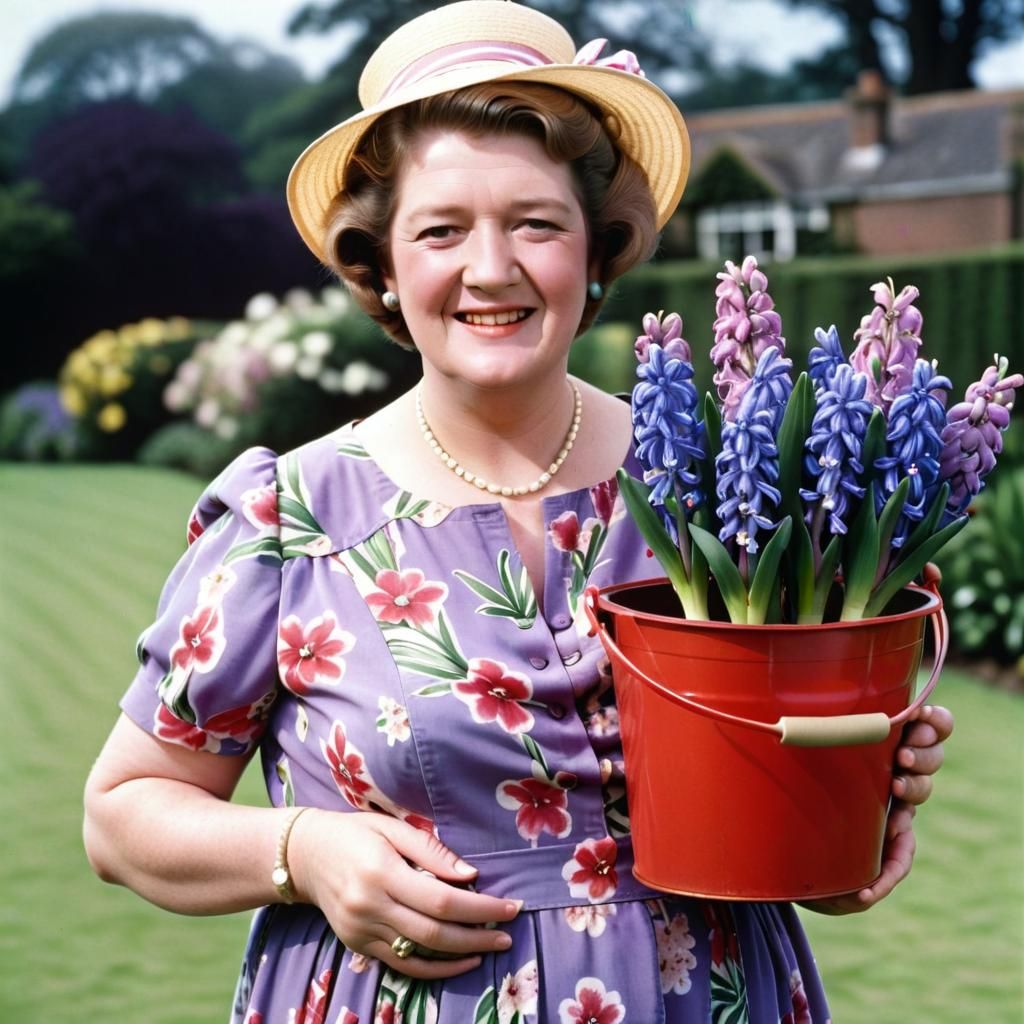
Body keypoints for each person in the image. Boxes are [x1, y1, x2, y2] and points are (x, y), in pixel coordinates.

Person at [83, 3, 954, 1021]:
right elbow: (123, 814)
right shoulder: (291, 517)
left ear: (595, 249)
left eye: (535, 222)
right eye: (441, 229)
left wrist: (845, 812)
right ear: (383, 263)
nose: (489, 268)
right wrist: (302, 850)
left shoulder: (722, 485)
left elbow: (789, 822)